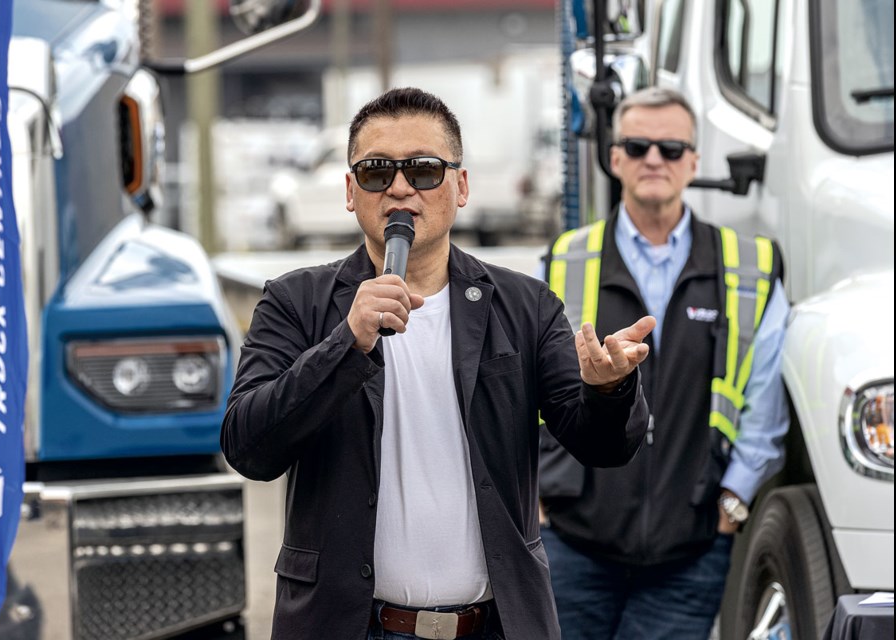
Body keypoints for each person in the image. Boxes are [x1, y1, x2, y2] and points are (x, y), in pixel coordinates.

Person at [221, 87, 656, 640]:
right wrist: (344, 345)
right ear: (351, 192)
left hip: (494, 626)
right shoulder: (295, 302)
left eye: (424, 170)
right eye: (377, 172)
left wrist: (609, 389)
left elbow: (602, 446)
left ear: (461, 186)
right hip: (348, 625)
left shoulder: (523, 306)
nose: (400, 187)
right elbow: (248, 445)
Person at [538, 86, 790, 640]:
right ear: (615, 158)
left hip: (691, 551)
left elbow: (766, 401)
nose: (655, 159)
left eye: (672, 149)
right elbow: (519, 389)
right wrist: (534, 493)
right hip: (573, 545)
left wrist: (734, 500)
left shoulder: (750, 267)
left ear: (694, 162)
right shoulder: (563, 261)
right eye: (639, 144)